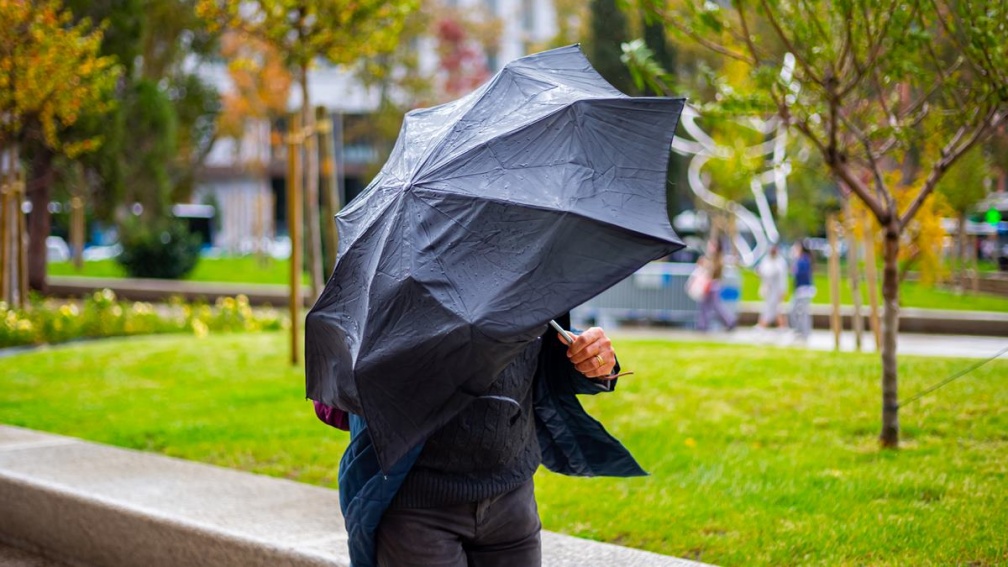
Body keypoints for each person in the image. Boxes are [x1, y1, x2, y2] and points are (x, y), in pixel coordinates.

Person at [316, 315, 634, 567]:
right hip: (416, 510)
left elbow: (543, 350)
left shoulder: (527, 263)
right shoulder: (392, 268)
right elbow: (330, 400)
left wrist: (592, 358)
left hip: (512, 503)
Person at [694, 240, 736, 332]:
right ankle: (703, 324)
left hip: (713, 285)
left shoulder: (718, 260)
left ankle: (729, 321)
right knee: (706, 306)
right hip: (711, 284)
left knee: (715, 306)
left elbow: (714, 272)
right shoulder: (713, 259)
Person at [755, 243, 789, 330]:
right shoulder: (766, 260)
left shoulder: (781, 263)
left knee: (774, 308)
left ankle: (763, 325)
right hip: (768, 289)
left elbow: (783, 278)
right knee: (772, 308)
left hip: (776, 289)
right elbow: (763, 271)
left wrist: (783, 291)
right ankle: (780, 326)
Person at [790, 240, 816, 342]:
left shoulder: (803, 260)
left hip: (804, 290)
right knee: (795, 311)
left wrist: (795, 268)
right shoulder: (802, 259)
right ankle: (800, 331)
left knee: (803, 312)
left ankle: (804, 333)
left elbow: (800, 274)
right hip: (800, 290)